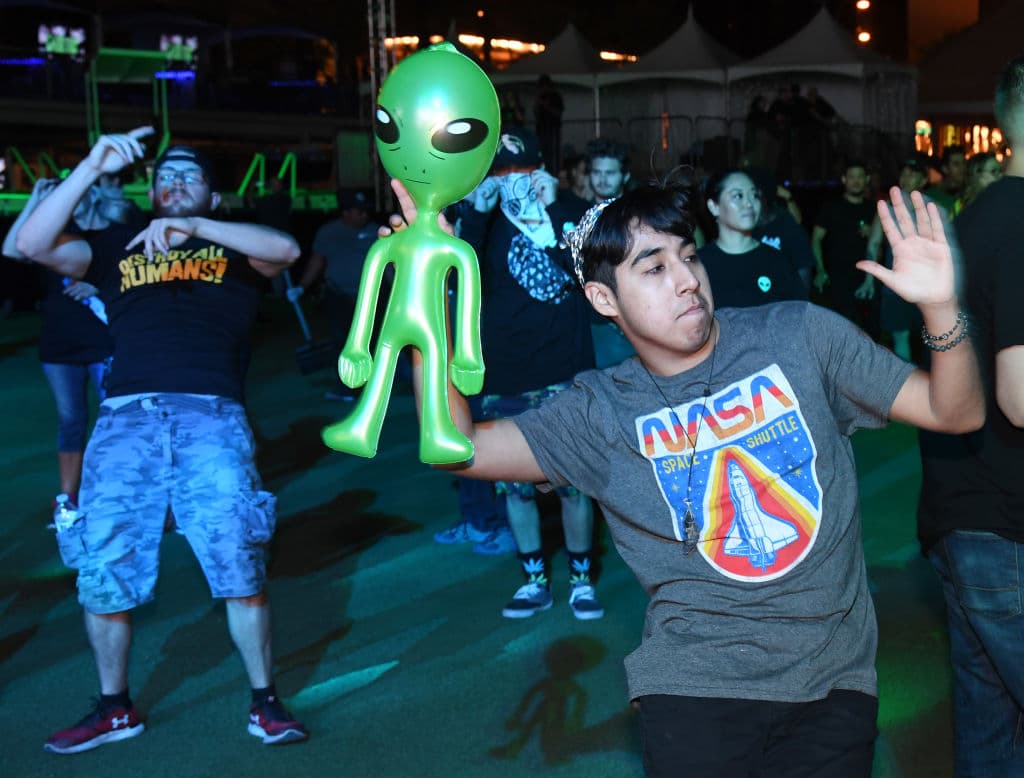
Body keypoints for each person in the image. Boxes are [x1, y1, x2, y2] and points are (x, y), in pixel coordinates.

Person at [386, 169, 981, 776]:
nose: (687, 280)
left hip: (832, 684)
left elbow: (954, 411)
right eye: (653, 268)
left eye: (688, 256)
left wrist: (940, 306)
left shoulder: (798, 335)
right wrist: (426, 302)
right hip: (694, 688)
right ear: (603, 300)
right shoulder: (601, 411)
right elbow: (454, 447)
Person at [15, 127, 308, 753]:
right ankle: (115, 708)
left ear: (213, 195)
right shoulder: (115, 244)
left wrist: (196, 230)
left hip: (211, 414)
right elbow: (28, 242)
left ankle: (265, 703)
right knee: (104, 563)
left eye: (189, 176)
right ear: (150, 189)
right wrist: (91, 164)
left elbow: (284, 247)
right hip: (125, 417)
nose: (173, 183)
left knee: (238, 559)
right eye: (164, 176)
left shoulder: (232, 246)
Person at [916, 55, 1024, 777]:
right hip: (1008, 527)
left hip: (968, 513)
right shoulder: (1019, 220)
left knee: (990, 734)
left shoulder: (982, 214)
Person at [458, 126, 601, 618]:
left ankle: (582, 579)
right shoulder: (480, 221)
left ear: (541, 170)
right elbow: (461, 273)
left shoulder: (567, 214)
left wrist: (551, 210)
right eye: (501, 173)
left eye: (522, 171)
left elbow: (586, 273)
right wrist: (477, 211)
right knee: (515, 485)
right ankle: (534, 579)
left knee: (572, 482)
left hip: (565, 367)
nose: (512, 182)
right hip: (506, 371)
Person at [2, 175, 136, 509]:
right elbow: (11, 248)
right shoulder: (55, 236)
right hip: (60, 345)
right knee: (71, 421)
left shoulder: (115, 232)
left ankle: (123, 494)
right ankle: (69, 497)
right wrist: (35, 197)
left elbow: (137, 273)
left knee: (118, 421)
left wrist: (98, 285)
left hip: (105, 341)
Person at [290, 189, 379, 400]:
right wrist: (301, 286)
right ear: (346, 213)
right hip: (338, 296)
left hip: (369, 298)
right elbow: (317, 261)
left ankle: (374, 386)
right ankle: (347, 387)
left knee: (371, 342)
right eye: (359, 212)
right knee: (342, 342)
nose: (365, 216)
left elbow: (390, 265)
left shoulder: (375, 231)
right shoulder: (329, 233)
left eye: (366, 211)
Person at [698, 168, 804, 309]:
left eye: (754, 195)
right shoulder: (699, 266)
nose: (749, 203)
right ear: (714, 207)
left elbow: (799, 315)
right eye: (738, 196)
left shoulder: (776, 261)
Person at [812, 160, 878, 330]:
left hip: (868, 278)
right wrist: (820, 269)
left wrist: (875, 232)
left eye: (860, 177)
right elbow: (816, 238)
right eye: (851, 177)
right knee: (841, 331)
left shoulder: (875, 209)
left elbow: (884, 245)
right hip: (838, 280)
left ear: (867, 179)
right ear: (844, 179)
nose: (856, 181)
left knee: (870, 333)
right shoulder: (831, 208)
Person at [952, 151, 1002, 216]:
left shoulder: (1000, 202)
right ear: (976, 174)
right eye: (994, 171)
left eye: (1000, 171)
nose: (1001, 175)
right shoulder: (960, 207)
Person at [533, 74, 564, 173]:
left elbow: (558, 112)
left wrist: (545, 105)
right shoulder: (540, 97)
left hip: (553, 130)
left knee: (553, 155)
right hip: (541, 129)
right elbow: (535, 113)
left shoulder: (555, 96)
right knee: (541, 153)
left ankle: (554, 173)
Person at [924, 144, 967, 212]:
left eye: (964, 162)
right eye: (956, 164)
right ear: (945, 168)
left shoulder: (970, 193)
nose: (962, 168)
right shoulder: (932, 196)